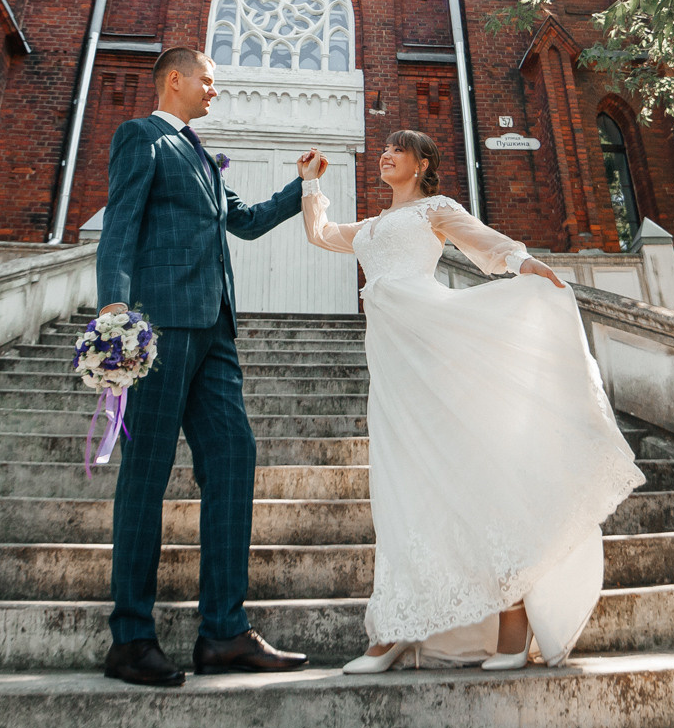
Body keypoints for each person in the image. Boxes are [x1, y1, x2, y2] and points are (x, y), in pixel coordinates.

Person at [296, 130, 644, 672]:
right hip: (391, 368)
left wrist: (528, 267)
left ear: (422, 162)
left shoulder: (435, 209)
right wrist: (310, 183)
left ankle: (512, 616)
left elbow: (488, 246)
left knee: (471, 471)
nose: (384, 154)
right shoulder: (369, 227)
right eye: (383, 149)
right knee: (401, 483)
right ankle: (394, 627)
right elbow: (320, 234)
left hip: (436, 345)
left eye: (397, 148)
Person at [94, 46, 314, 686]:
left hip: (216, 331)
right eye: (207, 81)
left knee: (234, 456)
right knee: (147, 473)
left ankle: (223, 631)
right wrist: (115, 314)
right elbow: (120, 228)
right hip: (160, 327)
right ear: (174, 80)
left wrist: (302, 186)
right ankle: (131, 638)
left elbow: (243, 223)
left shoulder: (203, 157)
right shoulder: (143, 139)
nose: (214, 91)